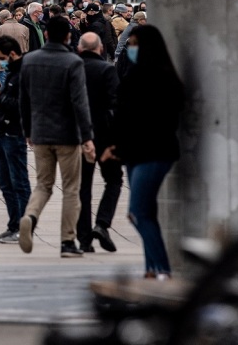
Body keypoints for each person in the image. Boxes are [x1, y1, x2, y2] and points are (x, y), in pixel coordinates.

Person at [104, 25, 184, 279]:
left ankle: (162, 269)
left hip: (153, 152)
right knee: (143, 212)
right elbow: (124, 116)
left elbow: (144, 120)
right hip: (134, 152)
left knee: (138, 212)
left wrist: (117, 145)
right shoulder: (136, 74)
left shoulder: (159, 79)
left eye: (136, 43)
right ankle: (151, 268)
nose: (132, 48)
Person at [18, 15, 94, 258]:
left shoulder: (29, 60)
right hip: (67, 135)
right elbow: (80, 103)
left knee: (43, 185)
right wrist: (87, 137)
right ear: (69, 36)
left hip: (40, 132)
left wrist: (28, 130)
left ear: (46, 34)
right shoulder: (73, 62)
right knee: (71, 189)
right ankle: (67, 242)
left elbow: (24, 100)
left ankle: (30, 216)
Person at [76, 32, 122, 254]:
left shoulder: (73, 69)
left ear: (80, 48)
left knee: (83, 188)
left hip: (80, 137)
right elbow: (116, 105)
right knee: (114, 180)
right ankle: (102, 223)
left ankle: (84, 239)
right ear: (100, 48)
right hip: (104, 136)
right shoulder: (107, 70)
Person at [0, 36, 30, 245]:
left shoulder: (23, 73)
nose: (0, 62)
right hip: (3, 132)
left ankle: (22, 227)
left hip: (14, 133)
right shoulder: (12, 72)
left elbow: (22, 105)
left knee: (18, 182)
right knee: (5, 183)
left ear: (12, 54)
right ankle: (13, 226)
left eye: (2, 58)